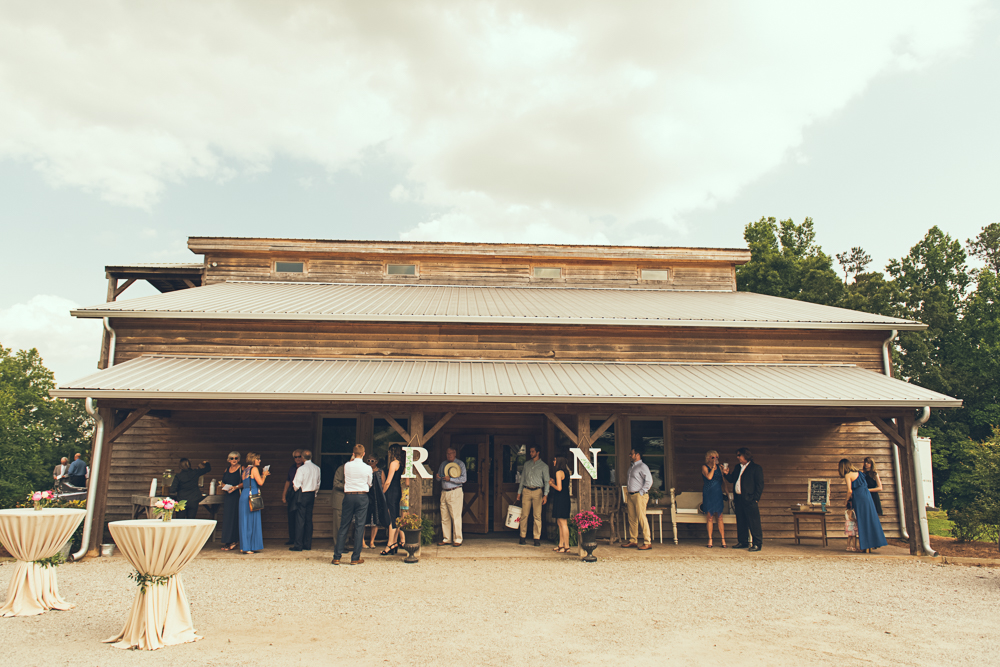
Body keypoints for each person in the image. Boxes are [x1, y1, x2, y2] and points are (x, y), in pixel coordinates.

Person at [333, 444, 373, 566]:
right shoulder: (367, 467)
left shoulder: (347, 465)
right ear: (364, 454)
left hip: (349, 496)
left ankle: (337, 556)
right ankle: (355, 557)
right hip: (361, 495)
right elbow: (369, 483)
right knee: (360, 526)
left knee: (344, 525)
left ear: (353, 453)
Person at [839, 458, 887, 553]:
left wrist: (846, 500)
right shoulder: (859, 473)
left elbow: (849, 490)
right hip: (867, 497)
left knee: (861, 521)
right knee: (870, 519)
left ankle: (865, 546)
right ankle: (870, 545)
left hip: (859, 498)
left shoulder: (848, 475)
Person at [724, 447, 764, 551]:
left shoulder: (756, 468)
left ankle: (757, 543)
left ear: (746, 455)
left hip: (750, 499)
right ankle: (743, 542)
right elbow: (732, 479)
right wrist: (726, 474)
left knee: (754, 522)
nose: (738, 457)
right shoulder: (738, 467)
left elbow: (760, 484)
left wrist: (756, 498)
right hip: (739, 498)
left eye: (739, 455)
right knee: (741, 521)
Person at [516, 445, 549, 546]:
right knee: (524, 515)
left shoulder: (544, 466)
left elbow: (547, 481)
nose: (531, 453)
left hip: (537, 491)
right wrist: (519, 492)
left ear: (537, 452)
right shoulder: (527, 464)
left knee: (537, 516)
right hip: (526, 490)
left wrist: (545, 495)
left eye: (533, 452)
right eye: (530, 452)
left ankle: (536, 538)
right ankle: (522, 537)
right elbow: (522, 479)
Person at [290, 449, 321, 551]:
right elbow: (318, 483)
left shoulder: (302, 469)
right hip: (311, 494)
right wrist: (315, 493)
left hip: (302, 494)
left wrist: (296, 490)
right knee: (308, 520)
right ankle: (307, 544)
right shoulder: (317, 468)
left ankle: (298, 545)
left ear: (302, 457)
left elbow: (296, 484)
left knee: (300, 520)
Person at [436, 446, 468, 547]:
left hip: (455, 491)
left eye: (450, 453)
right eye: (447, 453)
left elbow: (463, 479)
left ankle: (458, 538)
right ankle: (447, 538)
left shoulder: (460, 464)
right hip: (444, 491)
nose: (449, 455)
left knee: (455, 516)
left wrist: (451, 480)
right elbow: (440, 478)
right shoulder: (443, 464)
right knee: (444, 516)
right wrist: (438, 477)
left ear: (455, 453)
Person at [239, 452, 270, 554]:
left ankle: (244, 546)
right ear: (253, 460)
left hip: (244, 494)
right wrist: (264, 475)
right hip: (252, 495)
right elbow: (260, 482)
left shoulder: (244, 470)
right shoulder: (254, 469)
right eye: (258, 459)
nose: (259, 461)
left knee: (244, 520)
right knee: (252, 520)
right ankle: (249, 546)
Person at [622, 448, 653, 551]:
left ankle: (647, 542)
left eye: (632, 454)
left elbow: (649, 481)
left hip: (639, 495)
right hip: (630, 495)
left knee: (641, 517)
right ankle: (633, 540)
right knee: (632, 518)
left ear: (638, 455)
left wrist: (641, 492)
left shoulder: (642, 466)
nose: (630, 455)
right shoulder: (631, 467)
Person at [701, 450, 728, 548]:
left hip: (718, 493)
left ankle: (723, 540)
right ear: (708, 458)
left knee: (720, 517)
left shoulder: (720, 468)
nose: (715, 459)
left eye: (716, 457)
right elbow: (709, 477)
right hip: (709, 493)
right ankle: (710, 539)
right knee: (710, 517)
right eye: (713, 457)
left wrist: (727, 492)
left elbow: (723, 481)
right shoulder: (705, 467)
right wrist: (713, 467)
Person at [381, 444, 405, 555]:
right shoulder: (401, 464)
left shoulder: (393, 463)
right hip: (398, 491)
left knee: (391, 517)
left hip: (391, 491)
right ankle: (394, 542)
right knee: (395, 516)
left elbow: (388, 481)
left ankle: (390, 543)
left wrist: (383, 492)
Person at [219, 451, 243, 551]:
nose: (234, 460)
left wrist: (236, 487)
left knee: (235, 517)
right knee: (227, 518)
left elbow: (244, 482)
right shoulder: (227, 470)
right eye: (232, 458)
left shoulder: (242, 469)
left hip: (236, 495)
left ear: (239, 459)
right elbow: (223, 481)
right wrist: (223, 485)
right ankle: (227, 541)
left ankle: (234, 540)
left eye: (236, 458)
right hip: (228, 496)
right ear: (229, 460)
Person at [363, 457, 388, 549]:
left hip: (376, 497)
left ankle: (372, 541)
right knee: (364, 519)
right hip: (366, 496)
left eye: (372, 461)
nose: (370, 462)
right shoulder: (365, 469)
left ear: (376, 462)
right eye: (368, 460)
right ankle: (362, 541)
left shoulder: (380, 471)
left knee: (375, 520)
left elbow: (383, 483)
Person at [548, 456, 571, 553]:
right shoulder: (566, 472)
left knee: (563, 523)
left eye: (554, 460)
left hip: (561, 498)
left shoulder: (558, 472)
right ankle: (561, 544)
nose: (553, 461)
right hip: (565, 498)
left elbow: (559, 488)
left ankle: (567, 546)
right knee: (560, 522)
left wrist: (551, 484)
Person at [282, 449, 305, 545]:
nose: (298, 459)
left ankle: (300, 540)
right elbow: (288, 481)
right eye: (295, 457)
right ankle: (292, 538)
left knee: (300, 518)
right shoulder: (292, 468)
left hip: (301, 493)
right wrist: (284, 495)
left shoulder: (305, 468)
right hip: (292, 494)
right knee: (291, 517)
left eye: (299, 456)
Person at [331, 462, 346, 545]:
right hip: (339, 499)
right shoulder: (341, 469)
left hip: (349, 499)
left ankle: (345, 543)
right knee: (338, 523)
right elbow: (336, 483)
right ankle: (338, 545)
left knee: (347, 523)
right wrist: (348, 486)